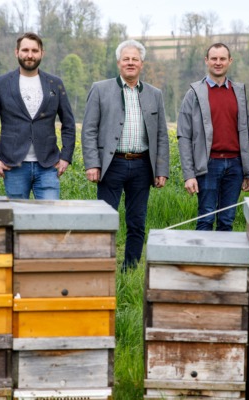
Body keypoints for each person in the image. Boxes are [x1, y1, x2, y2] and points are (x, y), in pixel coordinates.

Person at [82, 39, 169, 271]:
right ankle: (102, 265)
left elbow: (161, 134)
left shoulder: (155, 94)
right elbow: (89, 129)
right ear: (119, 62)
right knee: (104, 219)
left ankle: (129, 268)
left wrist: (161, 169)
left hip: (142, 166)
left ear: (142, 63)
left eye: (135, 59)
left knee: (137, 221)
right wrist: (92, 163)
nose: (130, 63)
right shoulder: (100, 89)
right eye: (126, 59)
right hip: (111, 165)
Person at [0, 32, 76, 199]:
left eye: (34, 50)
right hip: (13, 165)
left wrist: (66, 157)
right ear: (16, 52)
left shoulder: (55, 83)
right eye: (25, 50)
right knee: (17, 219)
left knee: (50, 219)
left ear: (42, 53)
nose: (29, 55)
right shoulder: (1, 84)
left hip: (48, 165)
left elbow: (68, 123)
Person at [177, 43, 249, 231]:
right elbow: (184, 136)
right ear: (207, 61)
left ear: (230, 61)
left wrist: (248, 171)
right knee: (206, 218)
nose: (218, 63)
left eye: (222, 59)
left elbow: (246, 132)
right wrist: (189, 175)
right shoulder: (194, 93)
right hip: (208, 165)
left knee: (227, 220)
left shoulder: (239, 92)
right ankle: (202, 261)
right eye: (214, 59)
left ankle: (222, 261)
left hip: (235, 166)